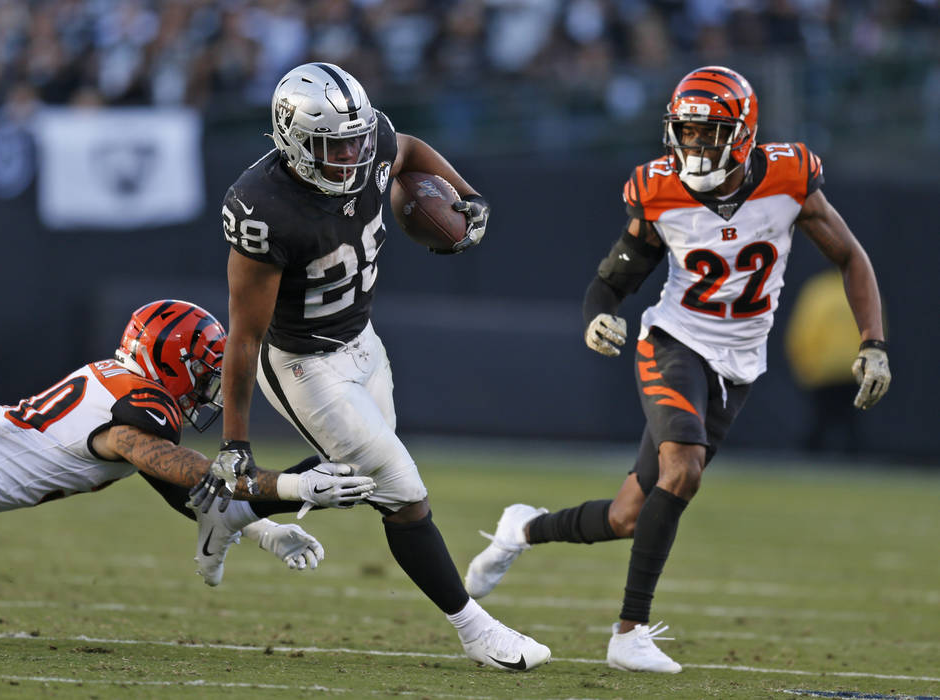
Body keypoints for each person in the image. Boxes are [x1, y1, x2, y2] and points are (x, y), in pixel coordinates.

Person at [463, 66, 891, 673]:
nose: (693, 146)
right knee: (682, 470)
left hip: (741, 360)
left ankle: (522, 529)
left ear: (741, 135)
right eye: (685, 133)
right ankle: (628, 631)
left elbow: (851, 255)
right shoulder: (659, 190)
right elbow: (612, 282)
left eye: (708, 133)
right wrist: (598, 316)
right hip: (676, 340)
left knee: (627, 516)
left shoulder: (790, 179)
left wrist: (874, 341)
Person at [192, 62, 550, 672]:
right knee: (403, 492)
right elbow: (245, 338)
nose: (354, 157)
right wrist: (235, 443)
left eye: (357, 140)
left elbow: (404, 147)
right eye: (335, 146)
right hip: (302, 361)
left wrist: (461, 192)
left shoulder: (372, 139)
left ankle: (231, 511)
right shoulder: (263, 207)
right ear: (293, 139)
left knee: (356, 479)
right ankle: (476, 630)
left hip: (363, 341)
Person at [0, 300, 375, 580]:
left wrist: (263, 531)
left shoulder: (116, 385)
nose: (210, 390)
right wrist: (294, 487)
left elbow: (190, 495)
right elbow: (184, 469)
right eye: (204, 374)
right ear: (169, 361)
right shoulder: (139, 408)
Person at [784, 269, 871, 453]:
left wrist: (803, 363)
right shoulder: (862, 289)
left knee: (819, 420)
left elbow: (805, 330)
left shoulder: (819, 291)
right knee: (851, 422)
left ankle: (810, 462)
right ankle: (855, 464)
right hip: (854, 368)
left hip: (823, 369)